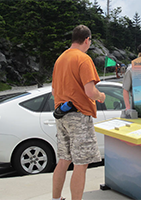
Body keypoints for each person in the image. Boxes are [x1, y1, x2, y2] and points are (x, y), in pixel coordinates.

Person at [51, 25, 106, 200]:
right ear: (87, 40)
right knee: (81, 164)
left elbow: (54, 91)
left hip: (61, 114)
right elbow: (90, 91)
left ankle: (55, 198)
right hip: (79, 115)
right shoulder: (83, 59)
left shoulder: (60, 59)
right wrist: (101, 96)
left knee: (63, 160)